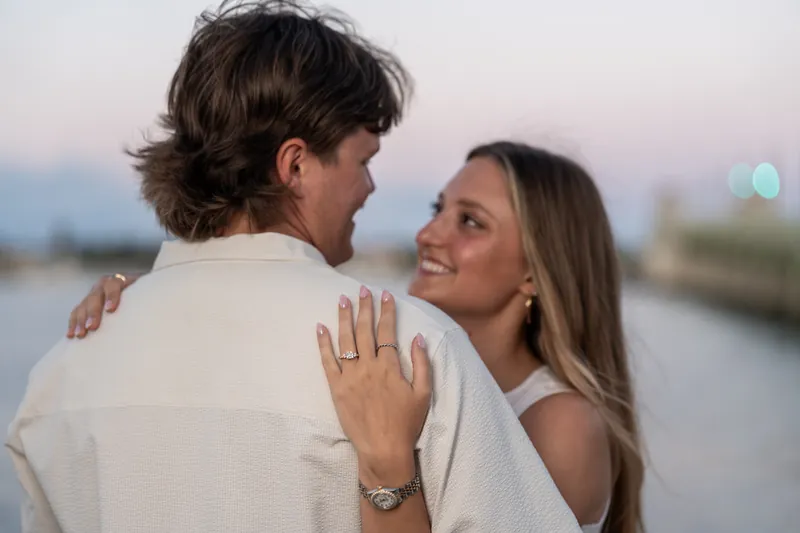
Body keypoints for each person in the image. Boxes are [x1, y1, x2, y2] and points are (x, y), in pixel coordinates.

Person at [5, 1, 581, 533]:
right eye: (364, 160)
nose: (370, 186)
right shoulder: (414, 353)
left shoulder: (61, 374)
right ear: (296, 166)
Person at [69, 141, 646, 532]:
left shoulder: (561, 423)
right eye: (437, 209)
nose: (428, 233)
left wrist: (389, 468)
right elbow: (261, 325)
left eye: (469, 221)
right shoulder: (395, 359)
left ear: (533, 269)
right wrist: (149, 298)